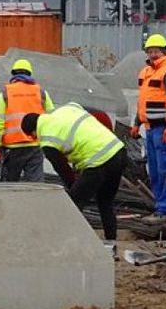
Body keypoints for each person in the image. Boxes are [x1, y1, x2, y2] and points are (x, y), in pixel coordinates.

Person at [21, 104, 126, 248]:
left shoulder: (47, 140)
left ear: (33, 133)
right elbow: (87, 124)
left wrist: (73, 187)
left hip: (98, 160)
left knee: (73, 205)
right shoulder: (67, 108)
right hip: (117, 150)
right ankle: (111, 244)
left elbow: (62, 168)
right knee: (105, 202)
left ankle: (67, 245)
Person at [130, 33, 166, 223]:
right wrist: (137, 123)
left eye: (156, 51)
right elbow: (143, 102)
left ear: (164, 51)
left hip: (163, 129)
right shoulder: (146, 72)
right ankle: (160, 207)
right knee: (153, 170)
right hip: (150, 129)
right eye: (150, 51)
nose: (153, 54)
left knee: (164, 168)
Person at [0, 58, 55, 182]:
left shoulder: (6, 93)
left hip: (12, 148)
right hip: (34, 146)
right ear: (29, 74)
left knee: (9, 185)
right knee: (35, 187)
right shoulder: (40, 92)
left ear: (14, 74)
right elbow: (52, 118)